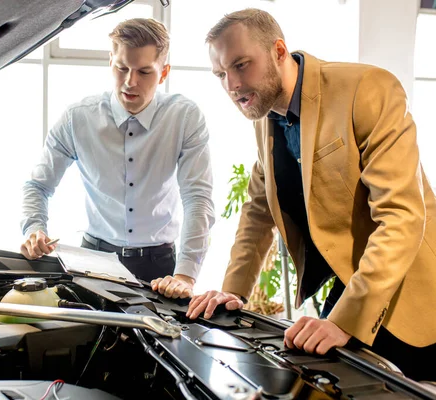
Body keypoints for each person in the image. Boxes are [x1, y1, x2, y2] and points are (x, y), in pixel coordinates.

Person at [186, 9, 436, 381]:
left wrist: (345, 319)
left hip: (410, 296)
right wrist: (231, 293)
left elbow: (401, 217)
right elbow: (257, 213)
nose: (232, 85)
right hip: (348, 286)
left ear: (279, 51)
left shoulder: (368, 88)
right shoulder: (264, 117)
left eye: (241, 65)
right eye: (221, 74)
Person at [20, 18, 215, 299]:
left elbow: (198, 197)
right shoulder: (78, 117)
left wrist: (185, 275)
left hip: (159, 266)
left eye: (144, 71)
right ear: (110, 61)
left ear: (163, 73)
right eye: (121, 68)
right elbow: (37, 185)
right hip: (94, 260)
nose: (130, 82)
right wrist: (35, 229)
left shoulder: (185, 117)